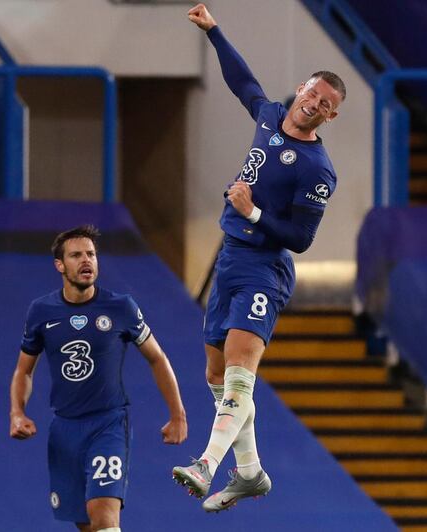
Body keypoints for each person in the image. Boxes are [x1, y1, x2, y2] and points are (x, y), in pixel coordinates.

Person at [173, 3, 346, 513]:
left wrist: (251, 213)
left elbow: (300, 238)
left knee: (240, 375)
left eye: (325, 103)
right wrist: (214, 32)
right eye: (312, 92)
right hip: (230, 260)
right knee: (214, 375)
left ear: (331, 116)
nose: (313, 103)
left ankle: (205, 464)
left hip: (264, 269)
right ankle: (248, 471)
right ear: (301, 89)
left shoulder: (317, 169)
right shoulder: (270, 114)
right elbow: (242, 81)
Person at [10, 225, 188, 532]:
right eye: (76, 255)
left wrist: (178, 414)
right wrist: (17, 412)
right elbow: (24, 370)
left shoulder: (121, 307)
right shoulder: (41, 312)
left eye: (91, 254)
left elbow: (157, 358)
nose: (86, 261)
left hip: (107, 424)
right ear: (59, 265)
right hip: (64, 430)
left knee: (105, 517)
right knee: (88, 524)